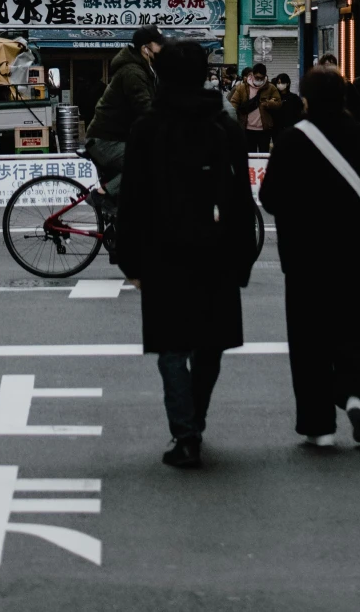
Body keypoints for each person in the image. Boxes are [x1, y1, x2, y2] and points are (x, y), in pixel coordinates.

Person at [259, 63, 360, 450]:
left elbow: (269, 200)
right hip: (358, 254)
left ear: (305, 101)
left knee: (309, 341)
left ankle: (318, 425)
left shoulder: (291, 141)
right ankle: (354, 395)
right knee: (355, 332)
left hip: (305, 261)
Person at [115, 38, 258, 468]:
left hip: (163, 252)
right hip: (216, 252)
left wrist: (130, 259)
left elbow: (132, 198)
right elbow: (240, 197)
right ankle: (196, 418)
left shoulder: (148, 126)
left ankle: (186, 433)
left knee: (172, 347)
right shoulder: (224, 125)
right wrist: (243, 255)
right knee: (210, 344)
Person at [86, 23, 163, 195]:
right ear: (145, 49)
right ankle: (102, 194)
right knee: (147, 164)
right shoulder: (132, 72)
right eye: (159, 44)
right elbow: (145, 108)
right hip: (105, 140)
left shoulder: (146, 70)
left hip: (117, 137)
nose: (162, 48)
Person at [230, 61, 281, 148]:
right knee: (249, 156)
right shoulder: (242, 87)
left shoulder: (271, 88)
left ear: (265, 76)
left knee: (264, 156)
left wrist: (268, 103)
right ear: (252, 75)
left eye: (261, 78)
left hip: (264, 129)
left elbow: (278, 103)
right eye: (257, 77)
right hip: (247, 129)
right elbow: (233, 103)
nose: (259, 80)